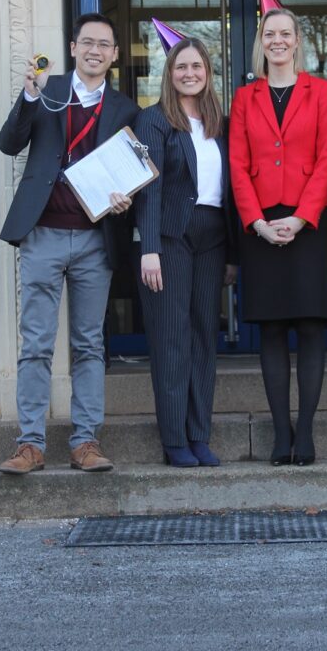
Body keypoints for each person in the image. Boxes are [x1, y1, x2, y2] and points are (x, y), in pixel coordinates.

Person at [0, 13, 139, 474]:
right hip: (42, 234)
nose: (95, 51)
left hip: (96, 238)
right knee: (36, 343)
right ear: (73, 47)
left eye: (104, 45)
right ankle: (30, 444)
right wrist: (27, 97)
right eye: (87, 42)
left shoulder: (125, 109)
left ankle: (85, 442)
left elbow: (130, 174)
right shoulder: (47, 90)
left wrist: (125, 200)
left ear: (114, 55)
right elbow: (9, 143)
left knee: (89, 344)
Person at [229, 8, 327, 466]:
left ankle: (306, 432)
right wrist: (257, 222)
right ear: (262, 41)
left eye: (285, 34)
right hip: (260, 225)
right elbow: (237, 165)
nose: (277, 41)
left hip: (308, 223)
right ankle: (280, 432)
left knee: (311, 327)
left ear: (297, 41)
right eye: (269, 34)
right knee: (272, 329)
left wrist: (300, 218)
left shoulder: (322, 92)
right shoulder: (244, 98)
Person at [134, 37, 238, 468]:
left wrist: (233, 255)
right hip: (170, 238)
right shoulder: (154, 120)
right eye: (181, 67)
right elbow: (149, 188)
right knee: (171, 338)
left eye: (196, 66)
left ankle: (199, 435)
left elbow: (231, 191)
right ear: (170, 73)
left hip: (212, 238)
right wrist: (149, 248)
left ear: (208, 73)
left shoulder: (220, 123)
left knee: (203, 337)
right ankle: (175, 438)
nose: (189, 73)